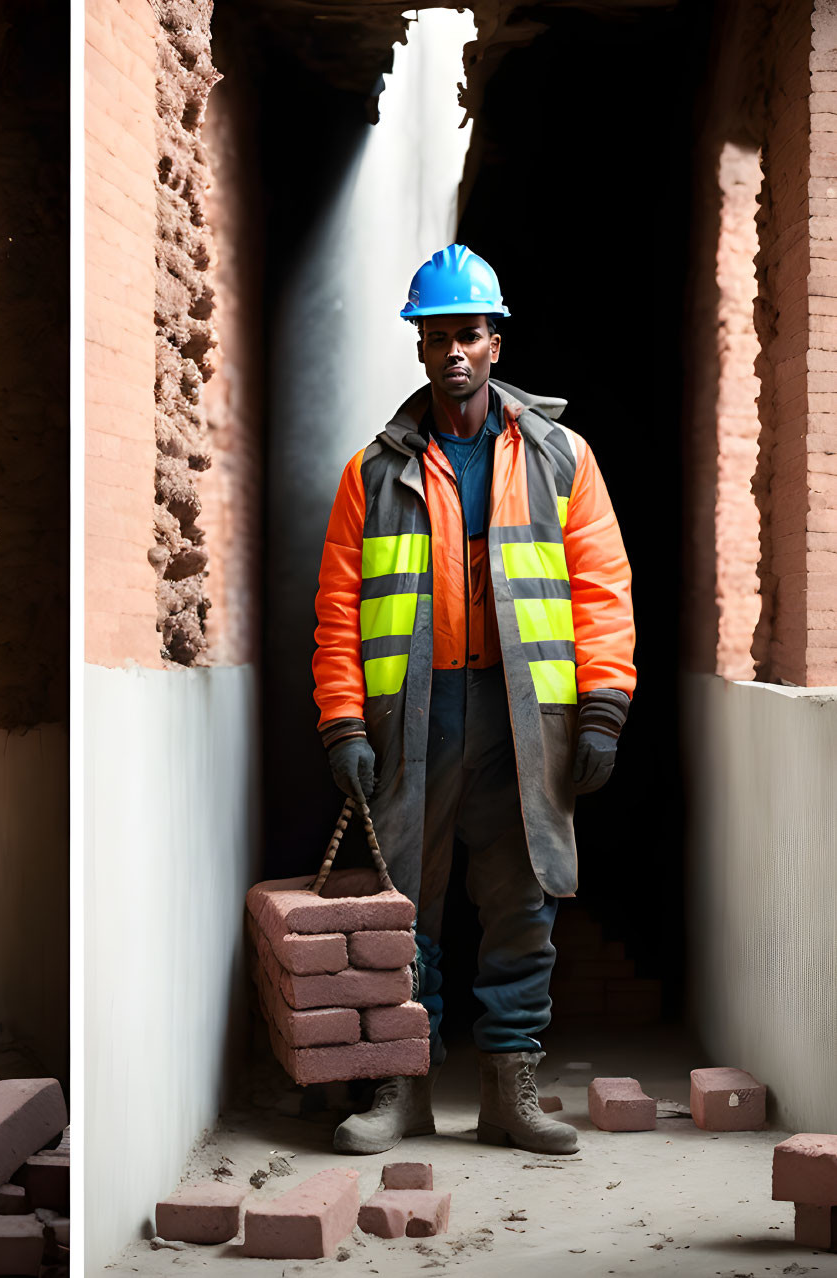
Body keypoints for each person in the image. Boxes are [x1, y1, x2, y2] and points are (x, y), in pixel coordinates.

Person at [310, 245, 635, 1155]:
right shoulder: (372, 474)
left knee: (521, 900)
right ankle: (398, 1088)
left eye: (468, 333)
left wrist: (602, 706)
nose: (452, 349)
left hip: (522, 716)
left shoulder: (559, 458)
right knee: (400, 903)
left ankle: (509, 1092)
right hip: (409, 720)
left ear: (496, 340)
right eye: (435, 335)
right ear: (417, 347)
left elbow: (601, 587)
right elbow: (338, 611)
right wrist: (341, 721)